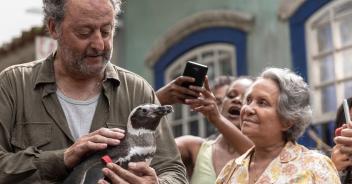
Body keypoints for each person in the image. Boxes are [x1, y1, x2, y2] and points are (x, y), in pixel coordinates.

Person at [0, 0, 188, 183]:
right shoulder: (13, 85)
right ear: (53, 28)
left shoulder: (137, 90)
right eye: (84, 32)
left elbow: (174, 172)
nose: (99, 44)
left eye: (107, 31)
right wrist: (63, 158)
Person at [216, 67, 340, 184]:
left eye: (262, 103)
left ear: (287, 120)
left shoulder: (315, 167)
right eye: (248, 100)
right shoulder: (230, 171)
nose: (248, 109)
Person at [156, 75, 236, 180]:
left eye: (245, 98)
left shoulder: (259, 153)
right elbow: (147, 152)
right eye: (218, 102)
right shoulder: (195, 148)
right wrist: (156, 99)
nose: (232, 102)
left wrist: (218, 119)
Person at [179, 76, 254, 184]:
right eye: (231, 95)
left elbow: (255, 154)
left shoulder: (268, 154)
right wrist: (160, 100)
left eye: (248, 99)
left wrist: (217, 119)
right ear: (222, 105)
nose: (237, 100)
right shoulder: (195, 148)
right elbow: (154, 150)